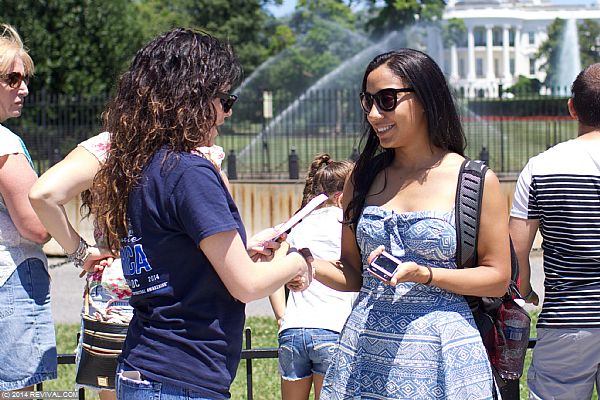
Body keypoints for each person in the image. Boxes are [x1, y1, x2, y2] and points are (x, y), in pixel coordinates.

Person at [88, 28, 312, 400]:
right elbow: (247, 286)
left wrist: (244, 250)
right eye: (224, 99)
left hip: (143, 367)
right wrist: (299, 263)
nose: (226, 113)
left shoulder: (138, 166)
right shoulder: (190, 172)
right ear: (190, 98)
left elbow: (172, 258)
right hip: (181, 377)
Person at [311, 49, 511, 399]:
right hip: (365, 353)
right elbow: (352, 272)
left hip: (443, 356)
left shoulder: (475, 180)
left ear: (425, 97)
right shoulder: (363, 176)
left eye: (387, 100)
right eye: (368, 101)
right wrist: (304, 264)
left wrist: (427, 274)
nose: (374, 114)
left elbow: (496, 278)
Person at [509, 63, 600, 400]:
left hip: (568, 318)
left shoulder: (542, 166)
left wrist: (525, 291)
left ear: (572, 107)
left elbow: (517, 248)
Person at [29, 131, 132, 400]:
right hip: (171, 293)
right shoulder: (191, 147)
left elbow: (44, 194)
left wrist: (81, 253)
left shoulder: (111, 144)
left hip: (115, 293)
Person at [269, 153, 356, 400]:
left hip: (293, 330)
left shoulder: (298, 225)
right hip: (333, 328)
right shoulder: (346, 225)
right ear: (341, 197)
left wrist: (281, 316)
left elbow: (274, 271)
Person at [0, 24, 57, 392]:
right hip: (13, 280)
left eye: (24, 78)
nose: (24, 87)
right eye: (12, 78)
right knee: (16, 392)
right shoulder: (5, 143)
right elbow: (36, 228)